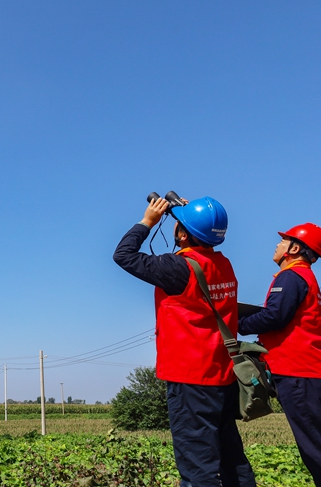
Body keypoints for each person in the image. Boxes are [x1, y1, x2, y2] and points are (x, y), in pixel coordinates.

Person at [113, 195, 255, 487]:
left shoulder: (179, 268)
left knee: (197, 466)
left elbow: (123, 255)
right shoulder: (223, 264)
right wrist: (188, 214)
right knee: (231, 458)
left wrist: (148, 221)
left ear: (183, 233)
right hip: (222, 375)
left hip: (190, 378)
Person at [238, 224, 321, 487]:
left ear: (294, 249)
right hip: (312, 373)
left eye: (283, 240)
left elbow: (275, 316)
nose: (277, 245)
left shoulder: (291, 276)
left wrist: (236, 325)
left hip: (300, 375)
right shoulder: (305, 277)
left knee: (317, 451)